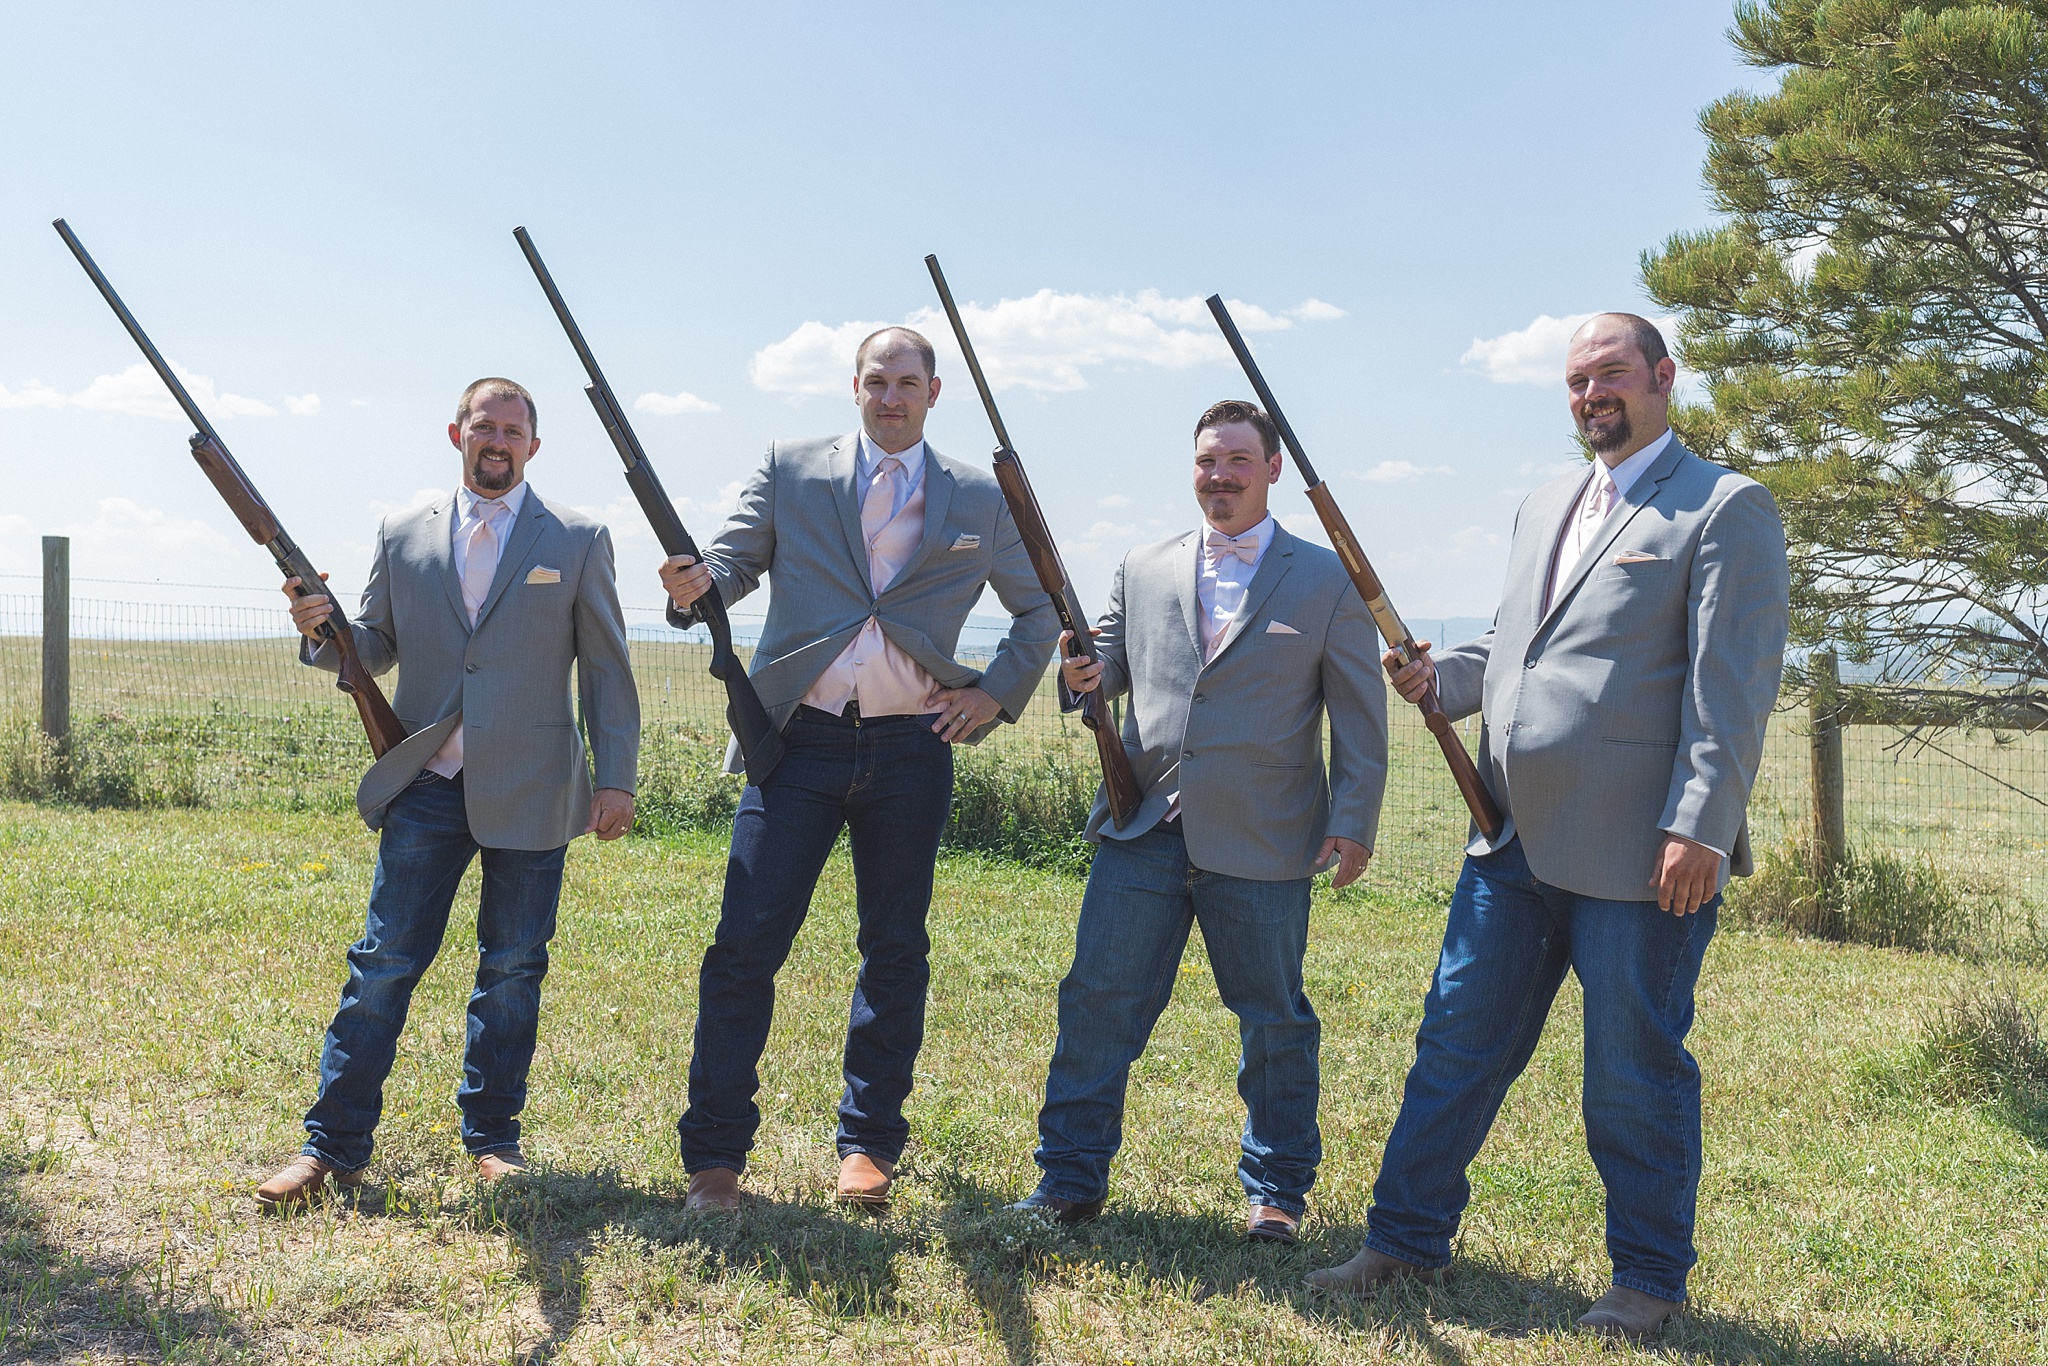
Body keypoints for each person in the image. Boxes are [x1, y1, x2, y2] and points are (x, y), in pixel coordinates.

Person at [1306, 315, 1790, 1339]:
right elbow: (1511, 646)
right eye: (1575, 381)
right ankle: (1400, 1239)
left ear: (1661, 378)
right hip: (1509, 843)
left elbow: (1730, 688)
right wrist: (1443, 679)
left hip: (1638, 858)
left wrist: (1699, 825)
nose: (1589, 395)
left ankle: (1647, 1281)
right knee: (1452, 1046)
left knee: (1630, 1070)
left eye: (1609, 374)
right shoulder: (1543, 503)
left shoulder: (1723, 506)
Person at [659, 327, 1057, 1211]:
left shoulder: (978, 499)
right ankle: (716, 1160)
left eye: (908, 383)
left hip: (914, 748)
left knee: (895, 950)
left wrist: (993, 696)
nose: (891, 396)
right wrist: (698, 588)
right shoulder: (790, 467)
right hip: (793, 742)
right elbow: (731, 568)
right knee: (743, 948)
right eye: (877, 381)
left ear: (933, 393)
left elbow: (1039, 615)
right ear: (854, 386)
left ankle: (869, 1147)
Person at [254, 377, 639, 1206]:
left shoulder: (577, 535)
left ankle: (494, 1139)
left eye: (511, 429)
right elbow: (375, 645)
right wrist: (323, 628)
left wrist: (616, 778)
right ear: (455, 433)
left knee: (512, 969)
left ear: (533, 445)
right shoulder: (402, 531)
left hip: (535, 789)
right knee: (382, 966)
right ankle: (331, 1147)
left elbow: (606, 665)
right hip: (427, 780)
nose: (495, 440)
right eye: (482, 426)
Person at [1013, 399, 1387, 1244]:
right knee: (1096, 1005)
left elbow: (1361, 718)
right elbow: (1105, 668)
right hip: (1143, 828)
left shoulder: (1328, 579)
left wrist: (1354, 820)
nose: (1218, 477)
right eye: (1206, 462)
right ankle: (1068, 1182)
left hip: (1265, 838)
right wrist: (1082, 671)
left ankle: (1276, 1196)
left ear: (1272, 469)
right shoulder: (1142, 566)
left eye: (1237, 463)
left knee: (1273, 1022)